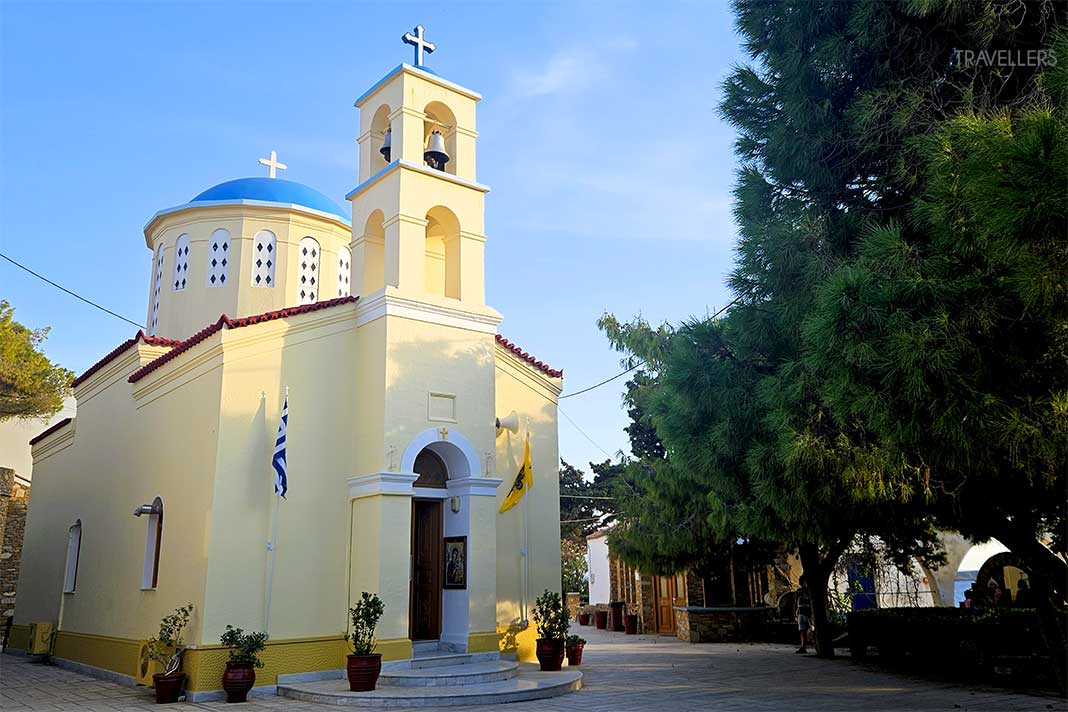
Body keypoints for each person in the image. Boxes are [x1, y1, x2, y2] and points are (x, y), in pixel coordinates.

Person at [795, 575, 813, 654]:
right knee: (802, 630)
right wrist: (796, 611)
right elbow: (796, 602)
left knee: (812, 629)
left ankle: (815, 644)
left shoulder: (811, 590)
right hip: (801, 612)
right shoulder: (799, 591)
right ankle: (803, 646)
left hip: (809, 613)